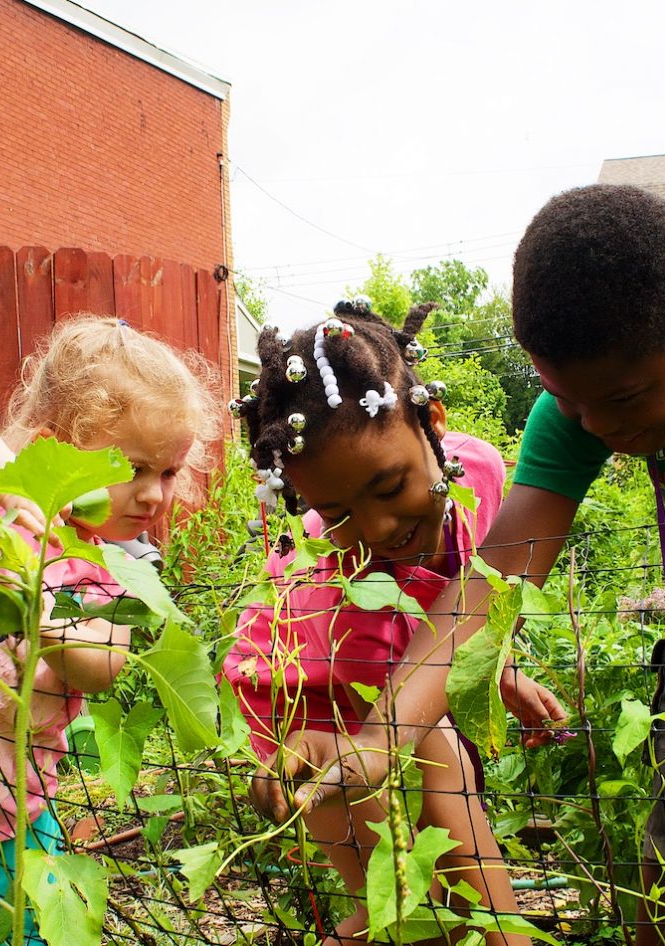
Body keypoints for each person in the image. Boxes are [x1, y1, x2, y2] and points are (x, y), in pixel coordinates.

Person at [250, 186, 665, 946]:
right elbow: (491, 584)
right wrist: (378, 741)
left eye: (621, 402)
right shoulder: (592, 393)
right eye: (569, 403)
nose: (602, 431)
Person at [0, 315, 219, 945]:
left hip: (18, 818)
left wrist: (45, 595)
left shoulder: (119, 572)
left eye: (167, 473)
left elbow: (102, 663)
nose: (152, 495)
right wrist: (17, 490)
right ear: (47, 449)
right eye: (130, 467)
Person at [224, 300, 558, 946]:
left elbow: (473, 597)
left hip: (373, 675)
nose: (377, 530)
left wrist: (500, 667)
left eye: (388, 487)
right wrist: (504, 930)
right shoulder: (354, 593)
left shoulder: (479, 471)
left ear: (433, 422)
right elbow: (444, 785)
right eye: (335, 514)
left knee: (418, 906)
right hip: (302, 681)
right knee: (405, 904)